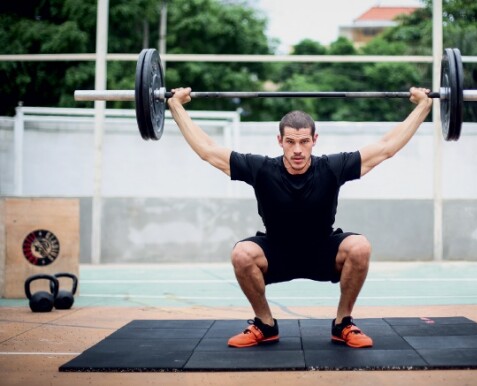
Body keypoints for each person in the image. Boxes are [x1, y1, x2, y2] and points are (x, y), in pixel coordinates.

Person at [168, 87, 432, 349]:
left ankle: (343, 323)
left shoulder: (331, 167)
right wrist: (176, 106)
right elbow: (207, 150)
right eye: (290, 142)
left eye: (304, 142)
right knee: (241, 254)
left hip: (322, 251)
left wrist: (423, 107)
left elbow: (386, 148)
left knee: (360, 246)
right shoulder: (260, 169)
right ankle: (265, 324)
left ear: (314, 140)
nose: (297, 149)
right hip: (276, 253)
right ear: (279, 140)